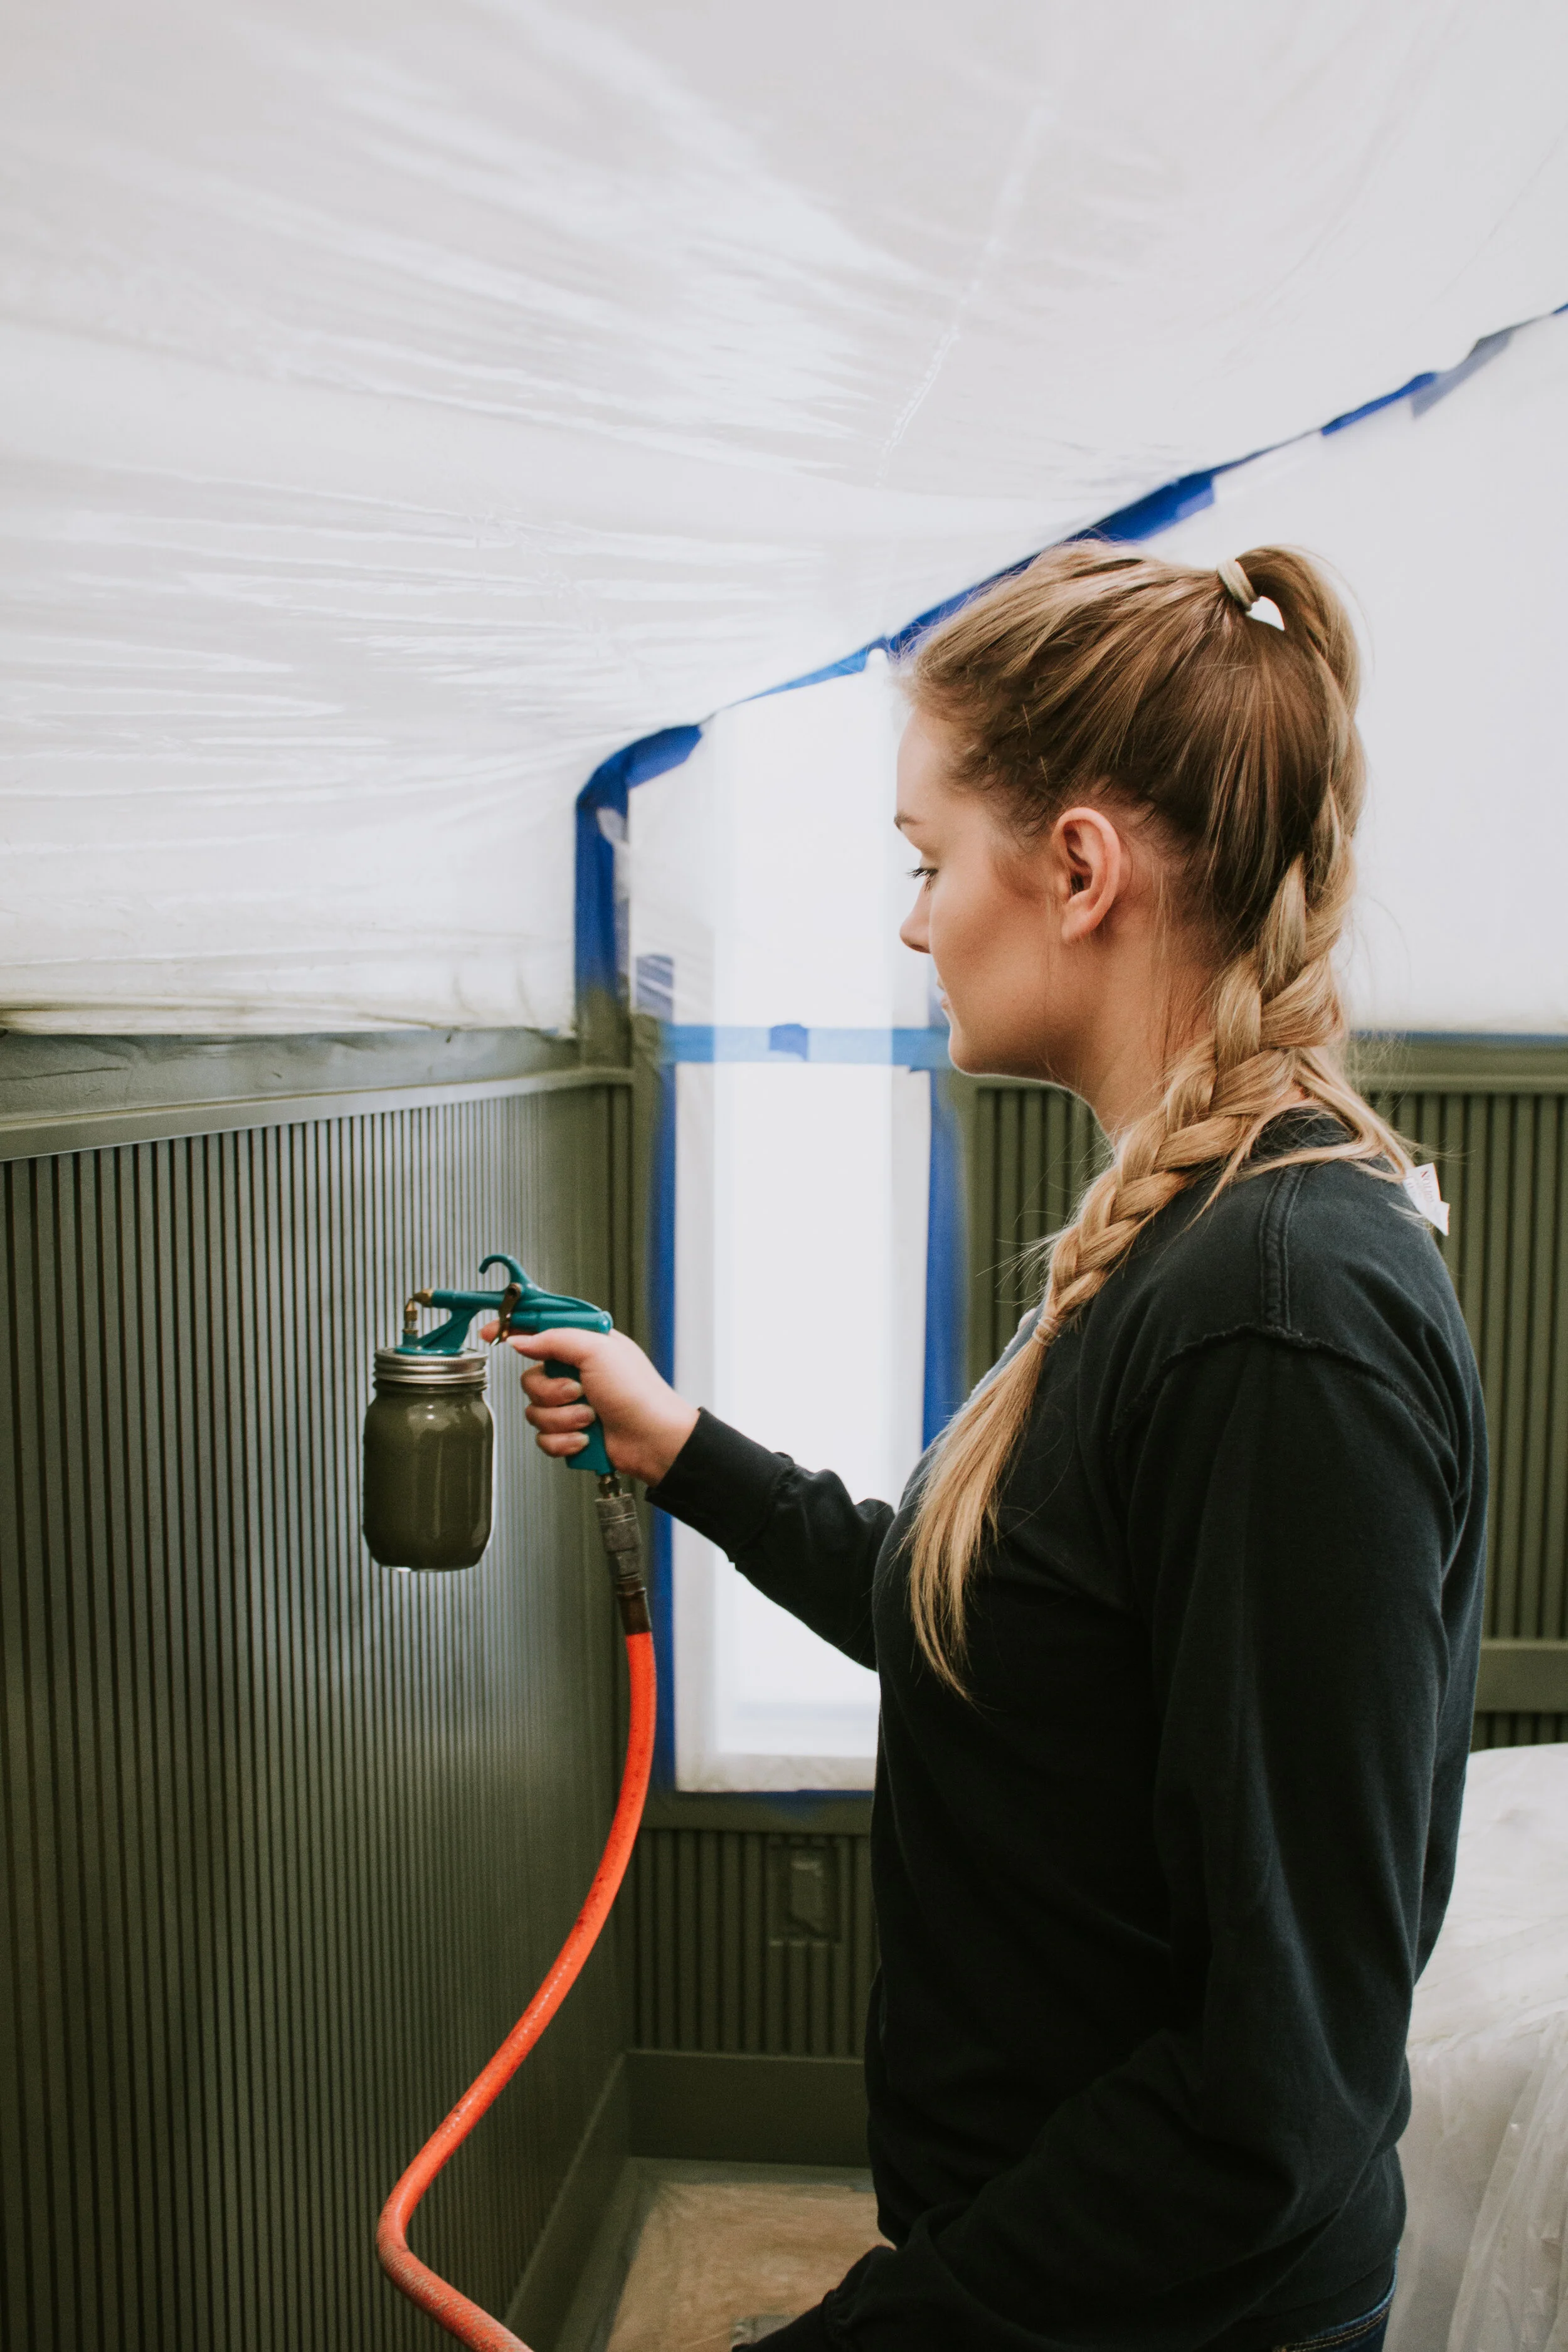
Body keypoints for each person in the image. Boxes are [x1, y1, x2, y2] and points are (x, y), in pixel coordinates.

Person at [510, 544, 1485, 2352]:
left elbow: (1267, 2102)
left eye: (922, 858)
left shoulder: (1277, 1314)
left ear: (1079, 866)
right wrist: (683, 1447)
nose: (907, 917)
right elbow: (990, 1634)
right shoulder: (1183, 1224)